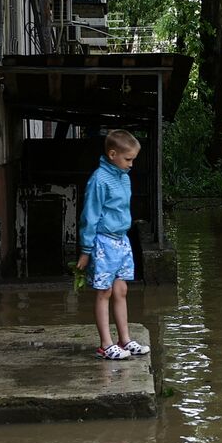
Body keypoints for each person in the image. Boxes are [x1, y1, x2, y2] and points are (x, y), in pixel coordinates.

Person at [77, 129, 150, 360]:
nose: (131, 165)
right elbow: (90, 215)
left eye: (133, 160)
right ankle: (105, 344)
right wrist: (86, 251)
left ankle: (124, 340)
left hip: (121, 241)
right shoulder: (99, 180)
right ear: (112, 154)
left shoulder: (124, 178)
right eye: (128, 159)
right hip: (103, 242)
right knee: (104, 291)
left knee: (121, 289)